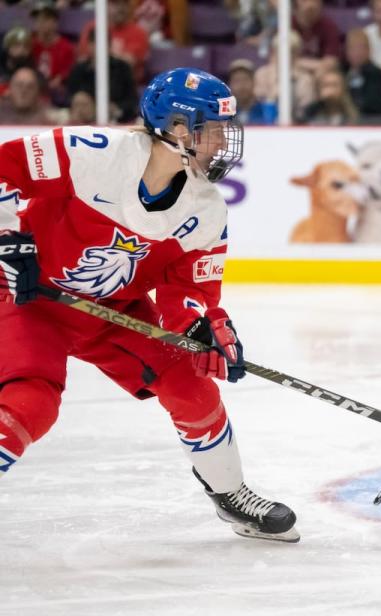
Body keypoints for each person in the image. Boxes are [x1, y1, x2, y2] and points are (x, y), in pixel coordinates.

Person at [0, 67, 299, 543]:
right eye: (213, 130)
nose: (223, 142)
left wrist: (202, 329)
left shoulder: (205, 208)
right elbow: (4, 169)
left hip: (113, 313)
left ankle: (231, 494)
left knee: (191, 385)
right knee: (29, 404)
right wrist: (8, 237)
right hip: (31, 298)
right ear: (177, 129)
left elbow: (190, 292)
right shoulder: (92, 154)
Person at [76, 0, 150, 83]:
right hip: (91, 82)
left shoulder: (138, 33)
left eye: (124, 4)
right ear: (105, 5)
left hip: (123, 86)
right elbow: (82, 60)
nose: (121, 8)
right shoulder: (92, 28)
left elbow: (126, 64)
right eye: (115, 4)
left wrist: (98, 53)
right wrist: (114, 54)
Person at [29, 0, 75, 105]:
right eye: (37, 19)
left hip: (56, 96)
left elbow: (64, 76)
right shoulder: (30, 45)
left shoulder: (66, 47)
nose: (40, 23)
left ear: (55, 22)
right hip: (33, 91)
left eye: (45, 19)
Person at [343, 28, 381, 116]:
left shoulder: (377, 75)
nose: (357, 53)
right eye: (352, 48)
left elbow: (376, 106)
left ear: (369, 50)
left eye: (361, 48)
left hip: (369, 122)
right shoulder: (341, 72)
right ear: (346, 51)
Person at [228, 59, 277, 125]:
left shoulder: (267, 110)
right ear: (230, 85)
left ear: (254, 82)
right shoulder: (225, 114)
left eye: (245, 79)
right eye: (237, 81)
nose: (242, 85)